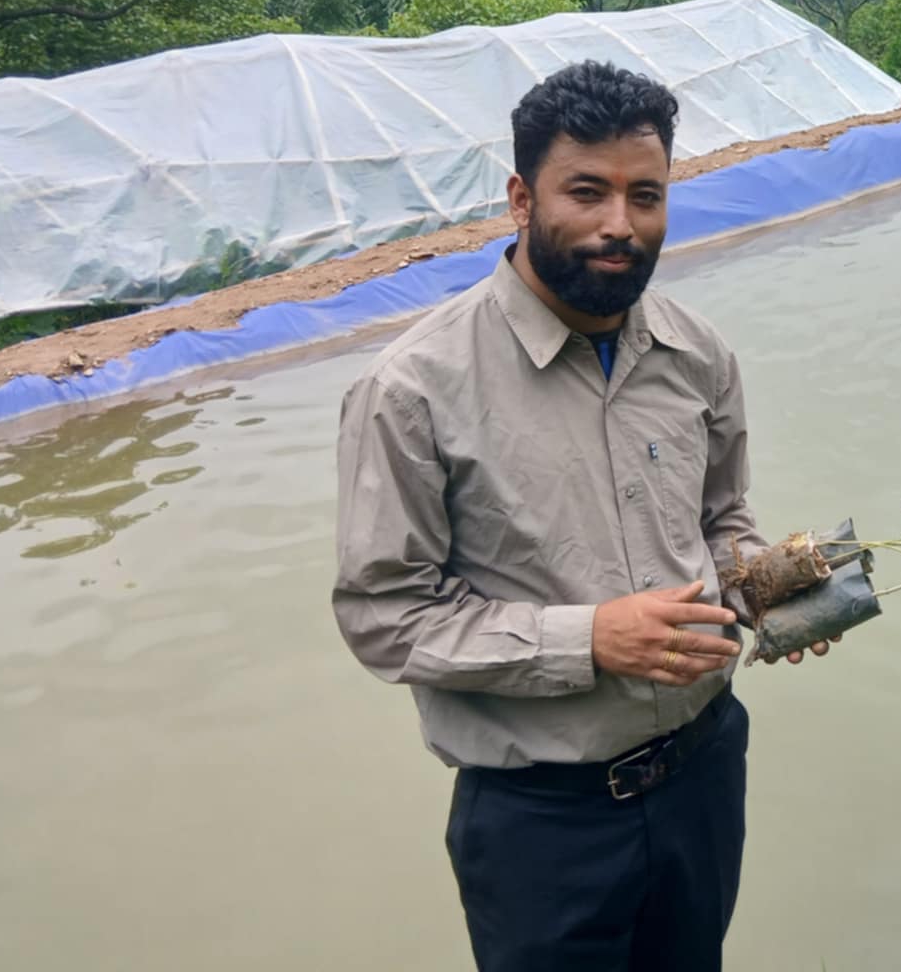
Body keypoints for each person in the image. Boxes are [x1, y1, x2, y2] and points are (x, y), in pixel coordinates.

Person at [332, 59, 830, 972]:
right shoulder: (412, 389)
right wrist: (589, 639)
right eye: (587, 191)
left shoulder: (695, 353)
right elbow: (384, 618)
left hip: (705, 769)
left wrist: (763, 588)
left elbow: (723, 514)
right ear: (522, 199)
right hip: (543, 822)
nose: (619, 225)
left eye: (646, 195)